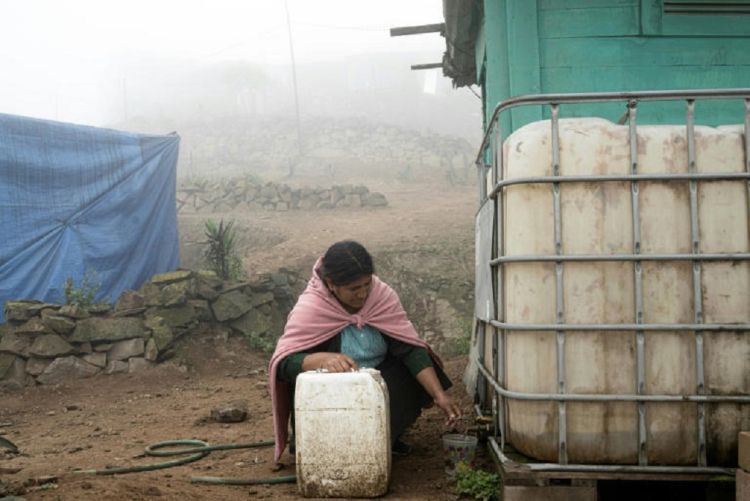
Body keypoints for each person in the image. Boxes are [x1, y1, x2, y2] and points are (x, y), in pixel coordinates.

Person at [269, 240, 461, 464]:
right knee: (312, 389)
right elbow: (283, 364)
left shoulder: (381, 297)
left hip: (377, 385)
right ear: (331, 284)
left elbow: (410, 349)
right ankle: (317, 441)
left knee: (414, 368)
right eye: (353, 289)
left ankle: (386, 436)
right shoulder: (311, 308)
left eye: (366, 285)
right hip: (332, 394)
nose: (362, 295)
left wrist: (440, 396)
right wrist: (318, 359)